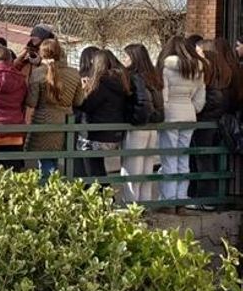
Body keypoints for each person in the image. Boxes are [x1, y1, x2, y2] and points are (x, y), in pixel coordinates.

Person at [156, 36, 206, 210]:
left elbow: (163, 95)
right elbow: (200, 97)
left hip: (171, 115)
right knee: (184, 157)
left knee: (169, 158)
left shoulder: (166, 68)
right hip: (189, 114)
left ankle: (169, 200)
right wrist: (192, 108)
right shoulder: (197, 69)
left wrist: (165, 110)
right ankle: (181, 198)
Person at [25, 39, 84, 181]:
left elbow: (31, 102)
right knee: (55, 157)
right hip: (66, 121)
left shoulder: (38, 73)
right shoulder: (74, 73)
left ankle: (51, 185)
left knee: (45, 160)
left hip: (43, 120)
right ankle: (54, 185)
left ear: (42, 54)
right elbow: (78, 101)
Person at [190, 38, 235, 202]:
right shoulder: (224, 73)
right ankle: (207, 197)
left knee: (204, 159)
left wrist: (199, 111)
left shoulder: (211, 75)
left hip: (206, 122)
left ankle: (206, 198)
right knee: (208, 159)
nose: (196, 55)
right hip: (215, 121)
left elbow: (214, 100)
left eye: (199, 52)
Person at [74, 50, 130, 179]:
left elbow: (86, 106)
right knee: (99, 169)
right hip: (114, 133)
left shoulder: (102, 83)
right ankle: (105, 191)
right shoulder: (121, 80)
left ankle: (103, 192)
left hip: (96, 135)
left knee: (93, 171)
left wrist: (84, 90)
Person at [122, 43, 163, 204]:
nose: (124, 59)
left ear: (134, 58)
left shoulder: (134, 76)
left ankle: (131, 205)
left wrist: (134, 119)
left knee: (133, 168)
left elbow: (142, 102)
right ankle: (145, 203)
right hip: (152, 126)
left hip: (138, 126)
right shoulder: (153, 76)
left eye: (126, 56)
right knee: (146, 167)